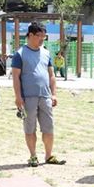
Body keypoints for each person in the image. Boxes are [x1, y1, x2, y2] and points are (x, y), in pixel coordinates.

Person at [11, 22, 64, 167]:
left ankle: (48, 155)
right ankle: (33, 156)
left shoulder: (46, 53)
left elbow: (51, 75)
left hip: (45, 97)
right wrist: (18, 97)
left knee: (49, 127)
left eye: (43, 36)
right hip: (28, 98)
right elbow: (16, 77)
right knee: (30, 128)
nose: (42, 39)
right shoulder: (20, 54)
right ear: (30, 35)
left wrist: (54, 94)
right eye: (39, 35)